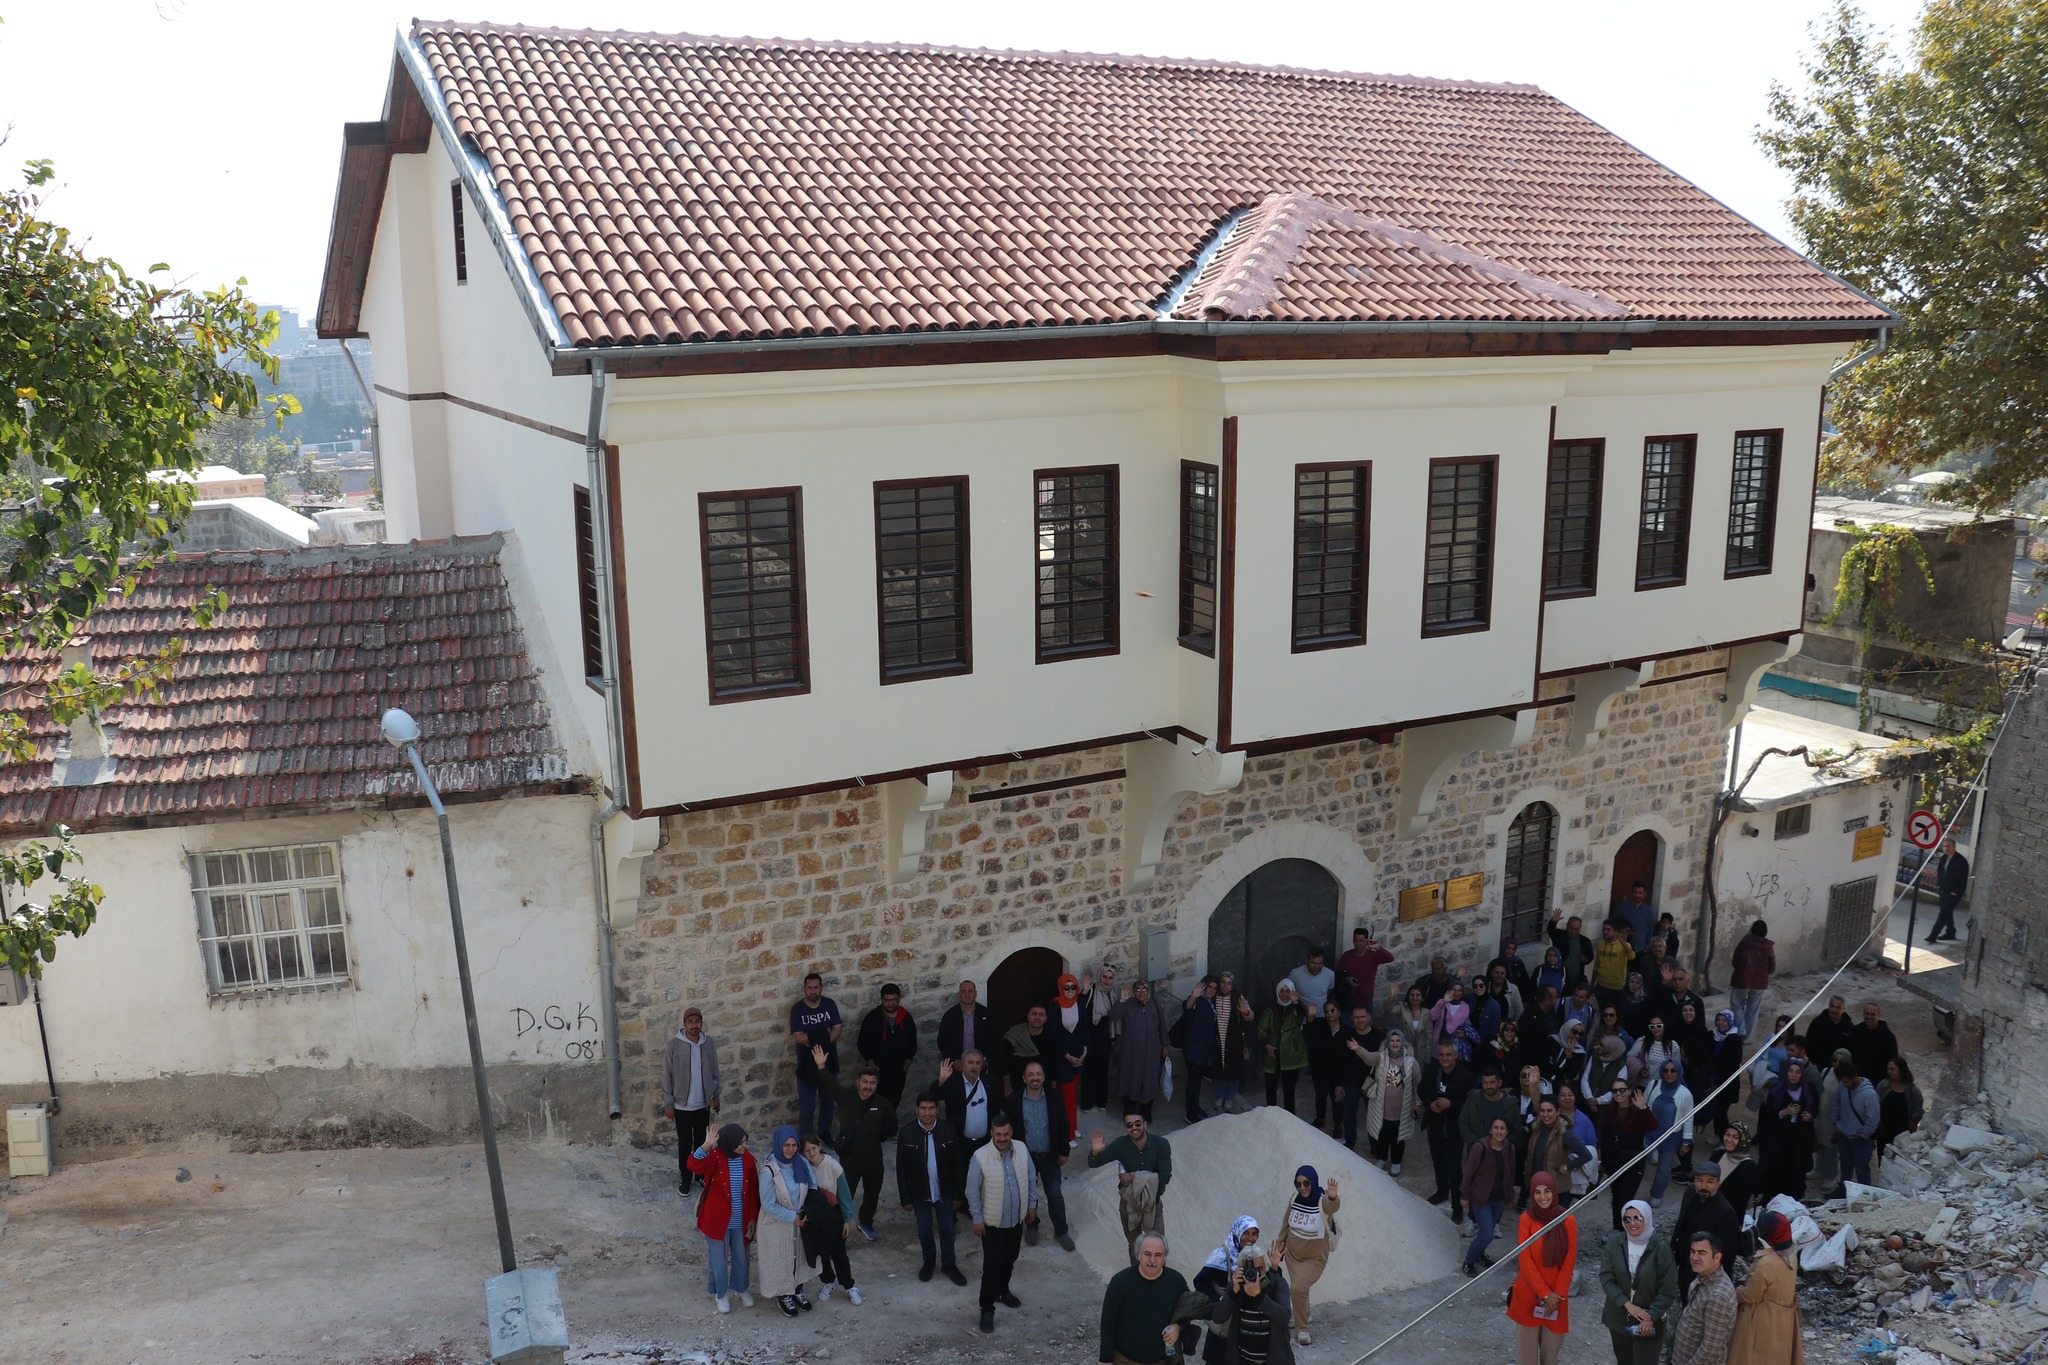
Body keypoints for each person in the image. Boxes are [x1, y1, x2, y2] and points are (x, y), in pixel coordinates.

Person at [965, 1112, 1039, 1333]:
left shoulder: (1022, 1149)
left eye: (1006, 1134)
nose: (1002, 1138)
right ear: (992, 1134)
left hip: (1016, 1220)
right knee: (992, 1266)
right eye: (998, 1134)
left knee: (1010, 1258)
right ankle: (987, 1309)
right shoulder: (980, 1156)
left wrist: (1032, 1205)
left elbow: (1031, 1177)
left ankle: (1002, 1290)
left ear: (1012, 1132)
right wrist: (977, 1219)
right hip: (992, 1224)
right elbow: (972, 1191)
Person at [814, 1051, 895, 1240]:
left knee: (872, 1193)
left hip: (874, 1160)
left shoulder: (882, 1104)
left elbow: (892, 1125)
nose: (868, 1086)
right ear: (858, 1081)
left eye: (872, 1083)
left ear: (877, 1084)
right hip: (849, 1160)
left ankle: (865, 1222)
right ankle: (839, 1227)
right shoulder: (845, 1097)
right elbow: (831, 1085)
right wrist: (821, 1066)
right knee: (844, 1196)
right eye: (865, 1082)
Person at [896, 1090, 968, 1286]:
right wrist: (905, 1198)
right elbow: (901, 1168)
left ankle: (949, 1264)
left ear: (937, 1109)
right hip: (919, 1194)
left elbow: (958, 1165)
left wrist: (958, 1194)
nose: (927, 1112)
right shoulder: (907, 1132)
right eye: (923, 1108)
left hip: (944, 1192)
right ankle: (929, 1261)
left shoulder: (948, 1130)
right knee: (924, 1230)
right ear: (917, 1109)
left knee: (947, 1229)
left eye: (931, 1108)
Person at [687, 1123, 759, 1313]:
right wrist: (705, 1146)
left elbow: (753, 1192)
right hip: (716, 1219)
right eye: (740, 1143)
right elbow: (692, 1165)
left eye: (745, 1142)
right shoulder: (715, 1157)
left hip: (740, 1220)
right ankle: (720, 1294)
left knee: (742, 1257)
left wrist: (752, 1217)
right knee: (718, 1260)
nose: (744, 1146)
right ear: (730, 1143)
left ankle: (740, 1288)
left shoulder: (748, 1160)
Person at [1508, 1172, 1578, 1365]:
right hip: (1530, 1294)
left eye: (1547, 1191)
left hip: (1557, 1298)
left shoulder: (1567, 1220)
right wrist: (1545, 1294)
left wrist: (1556, 1295)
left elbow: (1569, 1261)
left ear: (1554, 1191)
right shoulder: (1526, 1219)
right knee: (1527, 1357)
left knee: (1551, 1355)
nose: (1543, 1197)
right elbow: (1526, 1260)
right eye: (1537, 1192)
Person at [1007, 1058, 1076, 1251]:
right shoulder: (1014, 1100)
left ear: (1044, 1077)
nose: (1034, 1078)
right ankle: (1032, 1225)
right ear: (1024, 1078)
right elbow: (1009, 1128)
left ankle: (1061, 1231)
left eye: (1038, 1074)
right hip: (1025, 1157)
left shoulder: (1055, 1097)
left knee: (1054, 1194)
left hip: (1050, 1156)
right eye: (1030, 1074)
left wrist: (1064, 1151)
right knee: (1028, 1195)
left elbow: (1064, 1125)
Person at [1599, 1199, 1678, 1365]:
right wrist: (1627, 1304)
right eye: (1627, 1219)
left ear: (1647, 1218)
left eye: (1637, 1218)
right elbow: (1607, 1277)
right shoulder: (1615, 1243)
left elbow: (1667, 1290)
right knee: (1624, 1360)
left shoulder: (1660, 1248)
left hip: (1648, 1323)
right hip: (1618, 1318)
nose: (1631, 1223)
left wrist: (1650, 1316)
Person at [1090, 1107, 1174, 1257]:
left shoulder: (1161, 1144)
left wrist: (1133, 1177)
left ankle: (1157, 1278)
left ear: (1145, 1124)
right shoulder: (1121, 1144)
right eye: (1129, 1125)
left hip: (1152, 1203)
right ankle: (1137, 1278)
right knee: (1135, 1246)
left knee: (1158, 1246)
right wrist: (1096, 1151)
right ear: (1125, 1128)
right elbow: (1094, 1163)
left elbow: (1165, 1177)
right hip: (1129, 1203)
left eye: (1137, 1123)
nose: (1134, 1128)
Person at [1271, 1166, 1339, 1346]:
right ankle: (1304, 1315)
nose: (1302, 1187)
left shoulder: (1322, 1201)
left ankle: (1302, 1329)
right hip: (1293, 1256)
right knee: (1301, 1290)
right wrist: (1280, 1244)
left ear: (1313, 1182)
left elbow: (1333, 1206)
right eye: (1298, 1183)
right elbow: (1286, 1223)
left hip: (1315, 1259)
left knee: (1297, 1288)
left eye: (1306, 1183)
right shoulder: (1294, 1199)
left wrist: (1333, 1197)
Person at [1098, 1232, 1189, 1365]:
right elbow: (1108, 1322)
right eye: (1147, 1254)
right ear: (1138, 1255)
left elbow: (1189, 1313)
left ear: (1164, 1258)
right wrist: (1105, 1359)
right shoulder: (1120, 1282)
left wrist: (1178, 1327)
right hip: (1124, 1361)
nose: (1152, 1260)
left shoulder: (1176, 1282)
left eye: (1158, 1255)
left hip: (1163, 1361)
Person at [758, 1125, 819, 1316]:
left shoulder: (800, 1162)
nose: (790, 1149)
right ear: (778, 1145)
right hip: (778, 1223)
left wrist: (808, 1210)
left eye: (794, 1145)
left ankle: (797, 1290)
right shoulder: (769, 1170)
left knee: (799, 1257)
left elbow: (813, 1185)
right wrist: (793, 1217)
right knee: (780, 1260)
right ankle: (784, 1295)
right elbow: (768, 1204)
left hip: (802, 1219)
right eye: (786, 1145)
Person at [1728, 1212, 1804, 1365]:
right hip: (1782, 1321)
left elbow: (1750, 1296)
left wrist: (1734, 1292)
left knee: (1752, 1357)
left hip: (1761, 1321)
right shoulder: (1791, 1256)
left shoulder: (1766, 1263)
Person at [1204, 1240, 1293, 1365]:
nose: (1255, 1274)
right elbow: (1218, 1317)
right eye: (1250, 1269)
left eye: (1259, 1269)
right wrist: (1232, 1293)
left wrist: (1259, 1297)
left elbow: (1284, 1316)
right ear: (1241, 1269)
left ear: (1266, 1267)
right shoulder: (1237, 1286)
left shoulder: (1277, 1284)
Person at [663, 1006, 720, 1195]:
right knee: (685, 1144)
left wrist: (715, 1096)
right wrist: (669, 1104)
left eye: (697, 1022)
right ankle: (685, 1179)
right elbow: (667, 1077)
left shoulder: (708, 1043)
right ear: (684, 1024)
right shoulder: (673, 1046)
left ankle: (700, 1174)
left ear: (701, 1023)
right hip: (682, 1106)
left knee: (702, 1142)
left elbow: (714, 1071)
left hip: (702, 1104)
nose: (694, 1026)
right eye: (690, 1022)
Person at [799, 1133, 861, 1306]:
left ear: (819, 1146)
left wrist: (847, 1219)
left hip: (833, 1215)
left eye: (813, 1148)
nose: (811, 1153)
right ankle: (828, 1282)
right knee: (821, 1252)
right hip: (815, 1217)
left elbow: (844, 1195)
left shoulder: (833, 1166)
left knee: (839, 1253)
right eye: (807, 1151)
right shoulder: (805, 1168)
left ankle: (849, 1286)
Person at [1421, 1039, 1474, 1218]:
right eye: (1442, 1054)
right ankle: (1442, 1191)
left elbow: (1471, 1103)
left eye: (1448, 1055)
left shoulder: (1466, 1076)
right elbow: (1422, 1089)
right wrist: (1430, 1104)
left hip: (1453, 1130)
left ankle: (1457, 1206)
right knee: (1438, 1163)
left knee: (1454, 1169)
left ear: (1456, 1055)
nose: (1445, 1058)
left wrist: (1451, 1104)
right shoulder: (1431, 1070)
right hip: (1435, 1126)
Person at [1669, 1163, 1740, 1296]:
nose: (1703, 1186)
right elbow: (1681, 1224)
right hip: (1684, 1260)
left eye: (1710, 1182)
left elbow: (1728, 1253)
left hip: (1703, 1270)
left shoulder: (1725, 1212)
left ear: (1718, 1183)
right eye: (1699, 1180)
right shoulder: (1690, 1192)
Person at [789, 973, 843, 1142]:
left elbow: (838, 1028)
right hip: (807, 1063)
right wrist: (823, 1039)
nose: (813, 991)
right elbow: (798, 1037)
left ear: (821, 988)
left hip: (829, 1060)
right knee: (807, 1106)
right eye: (810, 987)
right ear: (804, 989)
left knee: (828, 1101)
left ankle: (824, 1132)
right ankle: (806, 1139)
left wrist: (817, 1041)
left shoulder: (829, 1004)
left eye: (816, 987)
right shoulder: (797, 1009)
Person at [1462, 1115, 1518, 1277]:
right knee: (1486, 1233)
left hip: (1499, 1198)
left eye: (1502, 1128)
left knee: (1489, 1232)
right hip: (1481, 1198)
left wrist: (1509, 1196)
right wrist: (1464, 1194)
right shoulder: (1480, 1147)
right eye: (1496, 1128)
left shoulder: (1509, 1148)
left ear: (1507, 1131)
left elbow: (1511, 1173)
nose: (1499, 1131)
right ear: (1490, 1130)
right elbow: (1469, 1172)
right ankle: (1469, 1261)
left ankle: (1479, 1254)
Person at [1359, 1027, 1420, 1174]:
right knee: (1382, 1136)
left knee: (1398, 1139)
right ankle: (1381, 1158)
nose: (1395, 1043)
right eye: (1391, 1040)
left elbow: (1417, 1085)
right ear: (1387, 1043)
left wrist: (1417, 1103)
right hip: (1381, 1110)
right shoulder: (1381, 1058)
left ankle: (1396, 1162)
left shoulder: (1411, 1062)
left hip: (1401, 1112)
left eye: (1398, 1040)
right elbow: (1369, 1058)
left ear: (1403, 1043)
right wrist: (1358, 1049)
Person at [1759, 1058, 1819, 1202]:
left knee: (1797, 1168)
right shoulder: (1776, 1089)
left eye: (1797, 1072)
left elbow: (1815, 1107)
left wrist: (1809, 1116)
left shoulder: (1808, 1088)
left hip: (1800, 1134)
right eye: (1791, 1071)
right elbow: (1768, 1113)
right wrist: (1785, 1112)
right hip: (1780, 1135)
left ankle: (1794, 1198)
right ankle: (1771, 1196)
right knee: (1777, 1166)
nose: (1794, 1075)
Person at [1672, 1234, 1738, 1365]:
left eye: (1702, 1253)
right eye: (1692, 1251)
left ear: (1717, 1257)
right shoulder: (1703, 1276)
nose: (1694, 1257)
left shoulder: (1718, 1297)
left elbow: (1710, 1349)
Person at [1600, 1081, 1658, 1229]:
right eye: (1615, 1091)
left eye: (1622, 1090)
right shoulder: (1610, 1112)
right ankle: (1617, 1229)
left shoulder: (1638, 1111)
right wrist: (1604, 1163)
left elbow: (1653, 1126)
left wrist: (1644, 1108)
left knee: (1626, 1198)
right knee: (1616, 1197)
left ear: (1628, 1091)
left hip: (1633, 1162)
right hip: (1614, 1161)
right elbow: (1605, 1138)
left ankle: (1624, 1230)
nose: (1619, 1093)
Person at [1111, 978, 1171, 1120]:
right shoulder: (1127, 1005)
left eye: (1144, 989)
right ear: (1133, 993)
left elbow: (1162, 1025)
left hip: (1152, 1053)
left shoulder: (1154, 1004)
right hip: (1131, 1053)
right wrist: (1122, 1000)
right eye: (1138, 990)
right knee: (1130, 1079)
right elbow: (1114, 1015)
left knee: (1149, 1080)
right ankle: (1130, 1110)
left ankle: (1146, 1110)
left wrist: (1165, 1045)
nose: (1142, 992)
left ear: (1148, 992)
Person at [855, 982, 918, 1108]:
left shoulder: (906, 1018)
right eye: (887, 1000)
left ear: (899, 999)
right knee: (874, 1106)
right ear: (881, 999)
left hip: (898, 1073)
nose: (890, 1004)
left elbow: (912, 1044)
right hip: (877, 1073)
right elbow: (863, 1044)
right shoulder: (872, 1018)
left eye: (894, 1000)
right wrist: (874, 1068)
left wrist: (905, 1066)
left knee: (892, 1105)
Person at [1525, 1096, 1593, 1203]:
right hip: (1538, 1185)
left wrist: (1568, 1166)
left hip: (1557, 1189)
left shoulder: (1565, 1132)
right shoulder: (1537, 1128)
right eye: (1542, 1111)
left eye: (1549, 1111)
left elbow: (1586, 1155)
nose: (1545, 1114)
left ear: (1558, 1111)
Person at [1647, 1059, 1695, 1203]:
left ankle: (1656, 1195)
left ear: (1678, 1072)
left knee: (1664, 1169)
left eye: (1673, 1070)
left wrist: (1686, 1141)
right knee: (1636, 1164)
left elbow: (1688, 1118)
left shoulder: (1685, 1094)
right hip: (1648, 1134)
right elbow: (1644, 1106)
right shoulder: (1653, 1085)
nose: (1669, 1074)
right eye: (1665, 1070)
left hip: (1670, 1137)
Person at [1050, 974, 1094, 1129]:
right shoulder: (1055, 1005)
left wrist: (1085, 1050)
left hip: (1078, 1052)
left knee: (1072, 1094)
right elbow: (1053, 1033)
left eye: (1073, 987)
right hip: (1063, 1054)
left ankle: (1072, 1128)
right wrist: (1066, 1055)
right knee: (1069, 1095)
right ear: (1061, 988)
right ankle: (1068, 1133)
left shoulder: (1079, 1003)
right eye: (1066, 987)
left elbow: (1085, 1027)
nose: (1069, 990)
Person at [1829, 1060, 1879, 1194]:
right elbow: (1837, 1103)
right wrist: (1835, 1121)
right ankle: (1842, 1191)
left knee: (1861, 1169)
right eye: (1843, 1082)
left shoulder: (1869, 1095)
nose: (1844, 1085)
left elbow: (1873, 1120)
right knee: (1845, 1165)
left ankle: (1864, 1195)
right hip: (1845, 1135)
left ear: (1854, 1077)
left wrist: (1863, 1135)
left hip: (1861, 1140)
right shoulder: (1843, 1087)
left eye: (1846, 1082)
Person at [1260, 981, 1309, 1113]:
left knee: (1289, 1089)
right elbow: (1261, 1030)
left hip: (1290, 1054)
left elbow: (1303, 1012)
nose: (1285, 994)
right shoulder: (1270, 1009)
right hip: (1273, 1054)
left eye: (1288, 991)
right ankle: (1270, 1116)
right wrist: (1266, 1045)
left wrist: (1296, 1001)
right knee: (1270, 1087)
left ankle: (1289, 1118)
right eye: (1282, 991)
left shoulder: (1296, 1008)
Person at [938, 1051, 996, 1154]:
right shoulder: (953, 1083)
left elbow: (995, 1111)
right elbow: (935, 1097)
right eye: (970, 1062)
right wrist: (941, 1081)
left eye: (978, 1063)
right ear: (962, 1064)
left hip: (986, 1145)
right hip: (961, 1145)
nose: (974, 1066)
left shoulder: (990, 1083)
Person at [1727, 922, 1775, 1044]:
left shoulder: (1744, 943)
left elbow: (1735, 962)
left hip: (1742, 980)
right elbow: (1771, 968)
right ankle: (1748, 1038)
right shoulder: (1768, 947)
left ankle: (1740, 1031)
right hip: (1759, 982)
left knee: (1737, 1004)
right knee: (1753, 1009)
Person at [1194, 1215, 1262, 1302]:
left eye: (1254, 1234)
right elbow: (1199, 1282)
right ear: (1237, 1232)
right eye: (1245, 1233)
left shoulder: (1254, 1256)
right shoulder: (1220, 1256)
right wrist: (1219, 1300)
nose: (1250, 1238)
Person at [1082, 965, 1121, 1113]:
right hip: (1092, 1036)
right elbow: (1082, 1008)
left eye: (1110, 978)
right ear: (1100, 977)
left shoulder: (1112, 993)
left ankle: (1101, 1100)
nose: (1107, 981)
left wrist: (1113, 1038)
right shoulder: (1092, 990)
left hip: (1105, 1036)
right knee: (1089, 1071)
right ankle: (1087, 1102)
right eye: (1104, 977)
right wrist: (1085, 991)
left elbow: (1115, 1016)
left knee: (1103, 1070)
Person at [1701, 1011, 1746, 1136]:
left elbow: (1732, 1063)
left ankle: (1724, 1137)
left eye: (1724, 1020)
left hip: (1727, 1082)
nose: (1720, 1023)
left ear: (1730, 1022)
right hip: (1711, 1079)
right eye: (1719, 1020)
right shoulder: (1712, 1035)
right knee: (1715, 1109)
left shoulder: (1734, 1040)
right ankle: (1718, 1135)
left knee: (1721, 1111)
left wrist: (1717, 1079)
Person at [1307, 1001, 1349, 1134]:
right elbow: (1310, 1024)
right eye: (1327, 1011)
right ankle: (1320, 1118)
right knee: (1320, 1096)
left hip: (1337, 1072)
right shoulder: (1320, 1025)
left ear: (1339, 1012)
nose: (1330, 1013)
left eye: (1332, 1010)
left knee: (1337, 1099)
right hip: (1320, 1070)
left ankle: (1338, 1124)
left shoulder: (1346, 1031)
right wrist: (1310, 1014)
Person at [1874, 1057, 1925, 1162]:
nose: (1889, 1072)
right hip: (1883, 1133)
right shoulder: (1883, 1086)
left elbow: (1917, 1114)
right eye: (1888, 1069)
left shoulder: (1913, 1091)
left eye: (1893, 1069)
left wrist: (1911, 1133)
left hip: (1902, 1136)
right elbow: (1875, 1105)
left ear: (1901, 1069)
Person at [1712, 1123, 1761, 1227]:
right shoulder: (1718, 1154)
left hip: (1725, 1222)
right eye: (1727, 1134)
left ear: (1743, 1141)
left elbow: (1739, 1203)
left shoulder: (1749, 1168)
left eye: (1735, 1137)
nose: (1729, 1140)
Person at [1336, 928, 1394, 1014]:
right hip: (1349, 1000)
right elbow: (1337, 974)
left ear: (1366, 941)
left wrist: (1377, 947)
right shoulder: (1347, 956)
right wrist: (1347, 979)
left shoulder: (1373, 956)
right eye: (1356, 940)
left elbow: (1390, 958)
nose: (1358, 944)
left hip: (1366, 1001)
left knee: (1366, 1026)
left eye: (1361, 941)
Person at [1002, 1004, 1050, 1099]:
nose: (1037, 1017)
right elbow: (1005, 1063)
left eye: (1041, 1015)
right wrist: (1007, 1088)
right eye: (1034, 1014)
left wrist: (1052, 1090)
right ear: (1028, 1016)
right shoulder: (1014, 1035)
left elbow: (1054, 1065)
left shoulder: (1050, 1037)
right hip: (1017, 1088)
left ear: (1045, 1018)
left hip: (1043, 1088)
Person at [938, 979, 991, 1064]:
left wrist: (985, 1059)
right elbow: (942, 1041)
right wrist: (954, 1060)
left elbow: (994, 1038)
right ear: (959, 994)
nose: (967, 994)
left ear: (975, 994)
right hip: (958, 1065)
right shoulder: (949, 1016)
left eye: (970, 991)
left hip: (979, 1065)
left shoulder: (986, 1014)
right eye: (963, 991)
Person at [1928, 836, 1969, 943]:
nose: (1947, 848)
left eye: (1949, 846)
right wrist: (1939, 885)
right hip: (1943, 890)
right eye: (1945, 846)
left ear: (1954, 847)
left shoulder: (1961, 861)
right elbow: (1940, 872)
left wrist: (1956, 891)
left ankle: (1933, 935)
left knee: (1943, 914)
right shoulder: (1944, 858)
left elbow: (1963, 879)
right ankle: (1951, 932)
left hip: (1954, 893)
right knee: (1946, 913)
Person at [1849, 1004, 1899, 1085]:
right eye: (1867, 1013)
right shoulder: (1856, 1031)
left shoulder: (1888, 1036)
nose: (1869, 1017)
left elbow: (1894, 1059)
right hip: (1858, 1080)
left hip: (1879, 1081)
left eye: (1872, 1014)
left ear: (1879, 1016)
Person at [1546, 912, 1596, 992]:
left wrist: (1586, 959)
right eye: (1571, 928)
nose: (1573, 931)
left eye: (1576, 929)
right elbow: (1551, 930)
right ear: (1567, 926)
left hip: (1577, 980)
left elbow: (1590, 956)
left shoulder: (1585, 941)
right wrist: (1553, 922)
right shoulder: (1559, 936)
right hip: (1560, 978)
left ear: (1580, 929)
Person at [1801, 997, 1854, 1069]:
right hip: (1818, 1065)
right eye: (1832, 1006)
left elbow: (1851, 1048)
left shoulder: (1849, 1026)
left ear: (1843, 1009)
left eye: (1838, 1007)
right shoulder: (1817, 1022)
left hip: (1840, 1067)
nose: (1834, 1010)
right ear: (1828, 1006)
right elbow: (1808, 1042)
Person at [1593, 920, 1634, 1007]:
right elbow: (1596, 965)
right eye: (1604, 929)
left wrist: (1624, 943)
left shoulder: (1625, 945)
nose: (1605, 932)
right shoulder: (1601, 944)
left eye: (1608, 930)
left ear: (1616, 932)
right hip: (1600, 985)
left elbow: (1632, 956)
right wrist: (1592, 984)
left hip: (1616, 988)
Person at [1287, 948, 1337, 1013]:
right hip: (1300, 1018)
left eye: (1320, 963)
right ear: (1307, 961)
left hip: (1321, 1017)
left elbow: (1329, 992)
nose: (1317, 966)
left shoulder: (1330, 974)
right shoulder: (1295, 973)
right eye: (1313, 963)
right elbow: (1287, 992)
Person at [1613, 881, 1656, 954]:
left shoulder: (1649, 911)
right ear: (1632, 893)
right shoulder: (1622, 907)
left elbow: (1650, 931)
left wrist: (1646, 947)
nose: (1637, 895)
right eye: (1635, 892)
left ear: (1645, 894)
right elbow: (1613, 925)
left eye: (1640, 893)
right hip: (1622, 948)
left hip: (1640, 950)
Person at [1429, 981, 1473, 1052]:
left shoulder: (1465, 1007)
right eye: (1454, 990)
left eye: (1459, 990)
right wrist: (1443, 1002)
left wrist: (1463, 1034)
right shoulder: (1442, 1002)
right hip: (1440, 1040)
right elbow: (1432, 1016)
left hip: (1455, 1044)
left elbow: (1467, 1025)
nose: (1457, 993)